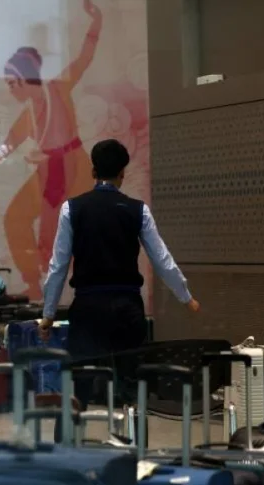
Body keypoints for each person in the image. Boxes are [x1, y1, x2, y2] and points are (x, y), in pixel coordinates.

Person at [39, 139, 199, 438]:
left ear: (92, 170)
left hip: (87, 308)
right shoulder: (137, 210)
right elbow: (162, 259)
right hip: (127, 308)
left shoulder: (71, 209)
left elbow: (58, 266)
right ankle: (135, 449)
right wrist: (185, 297)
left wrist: (48, 314)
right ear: (122, 173)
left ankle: (67, 449)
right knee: (132, 383)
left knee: (79, 383)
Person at [0, 0, 103, 299]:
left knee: (67, 232)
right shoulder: (27, 116)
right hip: (48, 172)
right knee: (15, 218)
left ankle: (78, 289)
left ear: (23, 79)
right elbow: (5, 147)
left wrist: (97, 21)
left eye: (11, 83)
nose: (9, 89)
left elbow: (86, 56)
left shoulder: (58, 88)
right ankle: (33, 285)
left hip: (76, 167)